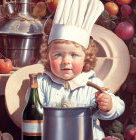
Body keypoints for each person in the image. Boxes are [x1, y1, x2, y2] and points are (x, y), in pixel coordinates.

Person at [27, 0, 125, 139]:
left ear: (86, 58)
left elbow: (119, 106)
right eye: (58, 55)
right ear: (48, 57)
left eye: (74, 55)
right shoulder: (42, 83)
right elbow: (32, 112)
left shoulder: (92, 84)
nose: (66, 61)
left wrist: (108, 104)